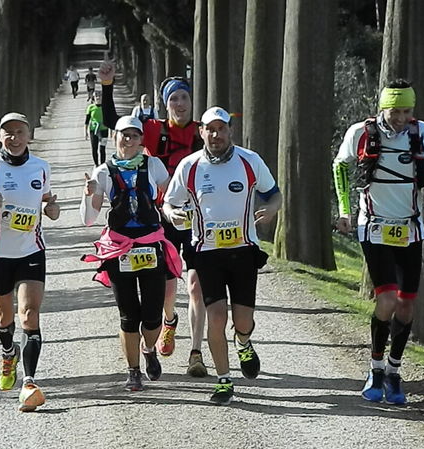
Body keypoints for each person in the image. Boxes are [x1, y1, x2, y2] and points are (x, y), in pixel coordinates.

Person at [333, 79, 424, 405]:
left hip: (410, 228)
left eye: (406, 111)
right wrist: (344, 210)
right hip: (374, 226)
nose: (400, 117)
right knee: (386, 301)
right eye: (395, 110)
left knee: (407, 304)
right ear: (383, 107)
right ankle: (376, 367)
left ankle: (395, 371)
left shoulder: (420, 132)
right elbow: (340, 166)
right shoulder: (362, 132)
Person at [163, 106, 281, 405]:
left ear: (230, 131)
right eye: (209, 129)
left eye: (221, 129)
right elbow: (168, 203)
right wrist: (174, 214)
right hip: (206, 252)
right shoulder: (190, 166)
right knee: (216, 317)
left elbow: (274, 193)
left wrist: (272, 209)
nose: (215, 135)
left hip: (243, 251)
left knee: (242, 321)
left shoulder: (250, 161)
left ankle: (243, 342)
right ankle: (224, 381)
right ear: (201, 132)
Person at [99, 60, 208, 378]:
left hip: (198, 217)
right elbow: (114, 123)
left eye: (184, 98)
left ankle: (196, 354)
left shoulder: (203, 132)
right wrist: (108, 87)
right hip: (162, 218)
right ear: (165, 103)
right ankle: (169, 320)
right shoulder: (153, 129)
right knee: (167, 287)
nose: (179, 104)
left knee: (196, 286)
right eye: (173, 98)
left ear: (191, 101)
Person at [0, 112, 60, 412]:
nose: (14, 138)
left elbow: (49, 206)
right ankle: (9, 352)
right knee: (4, 318)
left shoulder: (41, 167)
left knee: (29, 315)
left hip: (31, 250)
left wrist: (53, 207)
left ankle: (29, 381)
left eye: (20, 132)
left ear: (28, 135)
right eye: (8, 133)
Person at [80, 115, 182, 391]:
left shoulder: (154, 165)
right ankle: (133, 370)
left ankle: (149, 348)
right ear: (115, 138)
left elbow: (172, 193)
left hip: (149, 243)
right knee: (128, 316)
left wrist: (178, 211)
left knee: (151, 315)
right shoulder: (103, 171)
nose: (129, 140)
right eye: (124, 135)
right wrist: (91, 194)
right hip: (118, 246)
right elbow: (90, 217)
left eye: (134, 135)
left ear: (141, 140)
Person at [84, 92, 109, 166]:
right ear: (93, 98)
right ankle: (96, 164)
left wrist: (111, 131)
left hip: (104, 130)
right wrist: (86, 132)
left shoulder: (106, 107)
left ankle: (102, 165)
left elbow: (109, 120)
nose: (98, 98)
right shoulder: (90, 107)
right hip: (94, 130)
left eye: (100, 96)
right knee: (94, 148)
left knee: (102, 148)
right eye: (96, 96)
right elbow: (87, 121)